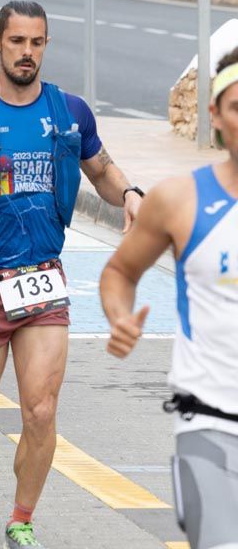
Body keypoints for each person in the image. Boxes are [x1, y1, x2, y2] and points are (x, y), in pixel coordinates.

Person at [0, 0, 143, 549]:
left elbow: (101, 170)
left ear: (45, 46)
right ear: (1, 42)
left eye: (37, 43)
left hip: (42, 281)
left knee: (40, 408)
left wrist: (130, 193)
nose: (27, 53)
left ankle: (21, 519)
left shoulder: (70, 112)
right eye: (16, 42)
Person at [100, 48, 238, 549]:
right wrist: (119, 317)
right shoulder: (181, 200)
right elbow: (120, 271)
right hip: (210, 422)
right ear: (216, 117)